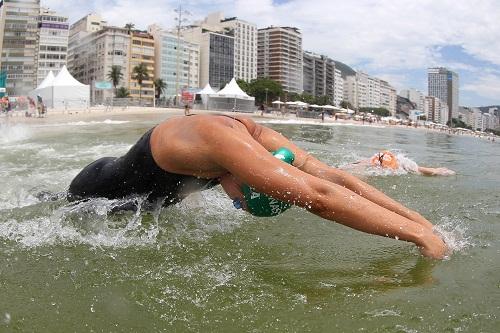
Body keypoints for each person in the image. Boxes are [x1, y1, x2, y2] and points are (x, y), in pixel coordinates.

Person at [68, 114, 447, 259]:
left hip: (152, 199)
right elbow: (317, 198)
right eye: (242, 199)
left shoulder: (258, 135)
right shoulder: (220, 140)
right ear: (243, 172)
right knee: (61, 213)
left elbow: (331, 177)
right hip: (97, 190)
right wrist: (418, 237)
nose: (240, 202)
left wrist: (418, 219)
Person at [344, 150, 455, 176]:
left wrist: (436, 171)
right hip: (383, 159)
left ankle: (437, 171)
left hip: (383, 158)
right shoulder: (401, 163)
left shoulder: (402, 164)